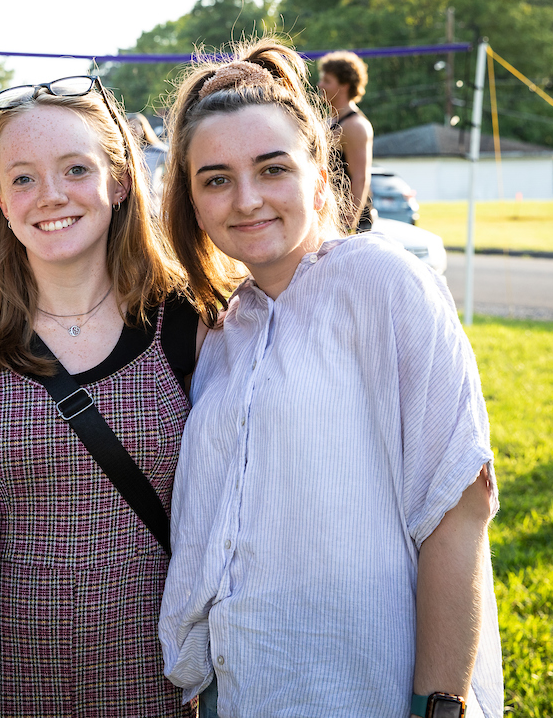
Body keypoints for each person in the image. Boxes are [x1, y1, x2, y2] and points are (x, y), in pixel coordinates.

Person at [158, 37, 502, 718]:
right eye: (216, 179)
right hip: (244, 688)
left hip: (365, 688)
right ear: (192, 202)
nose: (247, 199)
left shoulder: (384, 281)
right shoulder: (224, 331)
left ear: (319, 178)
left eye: (272, 169)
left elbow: (457, 504)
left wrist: (439, 702)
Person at [0, 75, 202, 717]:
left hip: (154, 681)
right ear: (1, 201)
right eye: (22, 178)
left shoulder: (191, 324)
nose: (50, 195)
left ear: (120, 180)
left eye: (76, 169)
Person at [317, 50, 375, 232]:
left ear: (344, 86)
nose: (320, 85)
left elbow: (360, 177)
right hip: (331, 217)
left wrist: (349, 222)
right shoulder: (329, 122)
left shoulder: (355, 126)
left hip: (349, 222)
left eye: (327, 81)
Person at [129, 112, 171, 209]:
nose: (132, 129)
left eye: (135, 125)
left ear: (143, 127)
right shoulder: (124, 152)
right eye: (129, 126)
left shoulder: (156, 150)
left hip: (152, 205)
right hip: (131, 205)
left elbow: (174, 164)